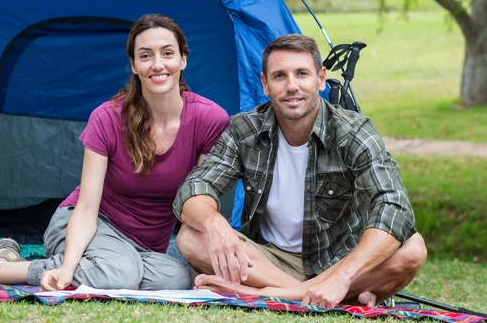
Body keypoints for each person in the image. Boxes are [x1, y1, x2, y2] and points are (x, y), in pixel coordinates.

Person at [0, 14, 229, 292]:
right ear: (134, 65)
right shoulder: (109, 117)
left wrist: (198, 267)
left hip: (145, 246)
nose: (157, 64)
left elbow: (196, 204)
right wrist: (68, 267)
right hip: (88, 225)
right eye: (145, 55)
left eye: (167, 53)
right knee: (119, 273)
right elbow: (87, 207)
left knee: (177, 279)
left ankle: (114, 269)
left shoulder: (209, 119)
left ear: (183, 59)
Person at [173, 34, 427, 308]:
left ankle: (271, 294)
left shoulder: (353, 132)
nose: (292, 86)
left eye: (302, 74)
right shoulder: (244, 129)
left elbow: (394, 207)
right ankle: (317, 295)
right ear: (265, 84)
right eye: (280, 76)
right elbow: (194, 189)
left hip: (337, 259)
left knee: (413, 248)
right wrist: (215, 224)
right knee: (191, 236)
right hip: (268, 260)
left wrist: (341, 275)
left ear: (320, 79)